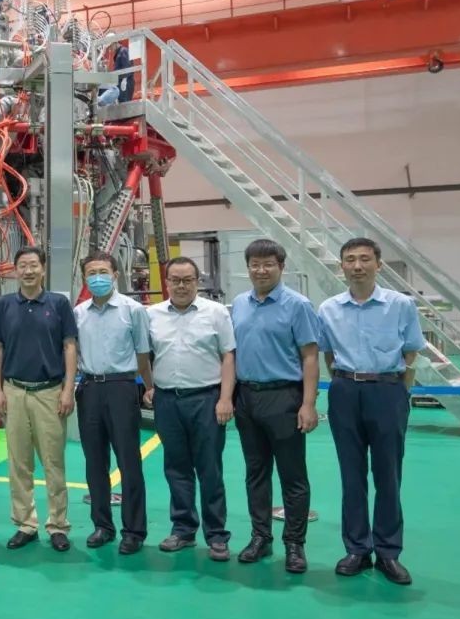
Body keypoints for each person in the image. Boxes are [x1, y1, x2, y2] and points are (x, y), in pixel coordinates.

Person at [318, 237, 425, 585]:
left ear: (379, 264)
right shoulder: (329, 309)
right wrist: (347, 381)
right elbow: (328, 354)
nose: (357, 266)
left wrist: (398, 389)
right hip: (345, 391)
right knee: (351, 475)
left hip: (388, 391)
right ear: (342, 266)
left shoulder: (401, 305)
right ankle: (357, 550)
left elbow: (411, 350)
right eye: (350, 259)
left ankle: (389, 552)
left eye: (365, 259)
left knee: (388, 474)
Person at [230, 239, 320, 573]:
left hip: (284, 397)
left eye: (268, 264)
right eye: (255, 264)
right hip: (247, 397)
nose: (261, 270)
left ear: (281, 267)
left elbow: (310, 356)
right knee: (256, 473)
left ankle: (294, 544)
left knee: (292, 475)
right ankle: (260, 537)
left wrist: (308, 404)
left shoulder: (298, 305)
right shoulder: (239, 304)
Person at [0, 246, 78, 552]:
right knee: (19, 463)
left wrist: (67, 389)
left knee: (53, 463)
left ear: (43, 268)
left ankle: (58, 525)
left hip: (50, 393)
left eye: (33, 265)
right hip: (13, 391)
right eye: (22, 266)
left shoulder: (59, 304)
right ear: (15, 271)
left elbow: (69, 346)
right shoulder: (3, 305)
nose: (28, 271)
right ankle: (25, 523)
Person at [146, 256, 235, 561]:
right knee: (176, 467)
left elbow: (228, 356)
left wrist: (225, 398)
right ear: (166, 282)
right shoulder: (152, 315)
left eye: (188, 280)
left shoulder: (216, 313)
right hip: (168, 401)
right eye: (175, 280)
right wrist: (150, 386)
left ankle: (217, 535)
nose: (181, 286)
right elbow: (145, 355)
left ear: (198, 281)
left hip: (206, 400)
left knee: (210, 469)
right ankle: (183, 529)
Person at [73, 251, 154, 554]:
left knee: (128, 461)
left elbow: (143, 354)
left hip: (122, 387)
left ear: (115, 275)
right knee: (95, 462)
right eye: (91, 273)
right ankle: (102, 526)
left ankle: (134, 530)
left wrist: (148, 387)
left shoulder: (133, 311)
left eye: (103, 272)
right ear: (85, 278)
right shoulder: (79, 313)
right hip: (89, 388)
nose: (97, 278)